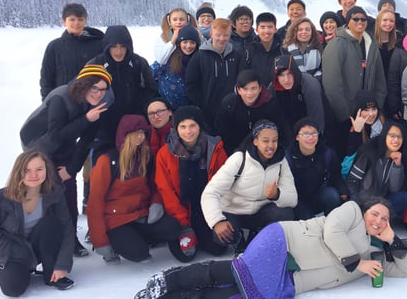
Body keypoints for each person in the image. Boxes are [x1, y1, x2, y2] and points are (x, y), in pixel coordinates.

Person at [134, 199, 407, 299]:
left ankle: (174, 296)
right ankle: (168, 281)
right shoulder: (351, 211)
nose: (378, 221)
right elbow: (332, 232)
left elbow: (403, 270)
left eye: (385, 219)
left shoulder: (371, 252)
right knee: (237, 273)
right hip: (283, 243)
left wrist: (392, 240)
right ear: (365, 211)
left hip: (292, 279)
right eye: (375, 213)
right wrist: (358, 263)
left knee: (239, 294)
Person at [20, 64, 112, 257]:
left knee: (68, 188)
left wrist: (71, 169)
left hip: (64, 143)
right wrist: (86, 119)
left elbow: (86, 142)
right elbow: (55, 135)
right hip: (37, 145)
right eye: (94, 88)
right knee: (46, 191)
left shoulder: (97, 106)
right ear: (84, 84)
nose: (98, 93)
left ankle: (71, 240)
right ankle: (36, 241)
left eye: (103, 89)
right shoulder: (61, 98)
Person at [87, 115, 182, 263]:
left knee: (173, 227)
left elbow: (154, 185)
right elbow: (95, 203)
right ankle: (121, 242)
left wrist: (156, 203)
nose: (140, 137)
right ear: (125, 135)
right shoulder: (107, 161)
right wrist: (101, 242)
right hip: (116, 220)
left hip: (141, 215)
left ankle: (136, 239)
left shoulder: (146, 157)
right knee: (139, 254)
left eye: (143, 132)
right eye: (135, 133)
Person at [201, 120, 297, 252]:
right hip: (234, 211)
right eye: (265, 141)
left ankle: (258, 235)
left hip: (261, 213)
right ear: (255, 141)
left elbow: (293, 198)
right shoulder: (240, 159)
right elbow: (210, 192)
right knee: (220, 243)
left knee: (285, 214)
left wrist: (277, 194)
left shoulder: (281, 162)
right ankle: (239, 240)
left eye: (274, 140)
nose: (270, 145)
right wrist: (217, 221)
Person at [0, 151, 75, 294]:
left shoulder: (55, 193)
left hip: (39, 247)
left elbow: (67, 229)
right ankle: (24, 269)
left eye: (39, 169)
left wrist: (62, 265)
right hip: (12, 252)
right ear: (18, 172)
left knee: (51, 224)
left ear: (46, 170)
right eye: (27, 170)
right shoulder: (3, 198)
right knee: (13, 289)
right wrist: (7, 246)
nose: (33, 175)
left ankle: (50, 273)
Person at [154, 105, 228, 262]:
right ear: (176, 128)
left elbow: (223, 183)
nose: (188, 131)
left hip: (206, 208)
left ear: (200, 126)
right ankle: (185, 230)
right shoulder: (165, 154)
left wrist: (216, 217)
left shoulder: (214, 148)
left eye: (192, 125)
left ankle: (201, 232)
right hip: (180, 210)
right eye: (183, 126)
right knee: (186, 256)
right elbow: (165, 190)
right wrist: (183, 223)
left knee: (219, 249)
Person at [321, 6, 387, 152]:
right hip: (346, 116)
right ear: (347, 22)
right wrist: (344, 115)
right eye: (355, 19)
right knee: (347, 154)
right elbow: (332, 84)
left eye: (363, 19)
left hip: (369, 113)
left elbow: (380, 79)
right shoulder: (337, 44)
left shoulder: (371, 44)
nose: (360, 22)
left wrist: (376, 107)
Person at [88, 24, 158, 143]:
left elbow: (151, 92)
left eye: (122, 46)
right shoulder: (96, 64)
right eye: (114, 46)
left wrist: (141, 115)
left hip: (133, 124)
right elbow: (83, 94)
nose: (118, 51)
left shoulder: (138, 63)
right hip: (103, 125)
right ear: (107, 47)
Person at [185, 18, 247, 133]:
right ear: (211, 34)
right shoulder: (199, 57)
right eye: (218, 35)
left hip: (232, 112)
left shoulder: (237, 56)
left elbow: (243, 82)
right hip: (207, 114)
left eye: (226, 35)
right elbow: (191, 85)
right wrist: (202, 106)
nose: (222, 39)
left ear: (230, 35)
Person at [39, 3, 104, 100]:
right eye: (72, 19)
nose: (76, 23)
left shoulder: (98, 44)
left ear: (85, 21)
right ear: (64, 21)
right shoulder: (54, 47)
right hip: (63, 100)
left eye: (80, 19)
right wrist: (48, 102)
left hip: (92, 100)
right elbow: (46, 79)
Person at [287, 118, 348, 219]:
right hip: (298, 199)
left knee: (332, 196)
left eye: (314, 133)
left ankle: (332, 224)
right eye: (305, 134)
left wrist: (343, 191)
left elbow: (336, 176)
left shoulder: (327, 153)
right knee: (308, 221)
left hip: (319, 194)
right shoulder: (288, 157)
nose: (310, 137)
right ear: (297, 137)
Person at [346, 122, 407, 218]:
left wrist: (397, 166)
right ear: (384, 136)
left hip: (380, 202)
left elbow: (394, 189)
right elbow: (352, 181)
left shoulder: (397, 157)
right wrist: (356, 203)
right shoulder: (369, 154)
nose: (396, 140)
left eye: (399, 137)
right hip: (363, 203)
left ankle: (382, 219)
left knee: (403, 197)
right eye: (392, 136)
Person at [215, 69, 280, 154]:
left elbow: (278, 129)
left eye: (253, 88)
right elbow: (222, 132)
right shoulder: (229, 105)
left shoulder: (269, 104)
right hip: (233, 151)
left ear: (260, 88)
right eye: (245, 89)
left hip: (262, 151)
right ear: (239, 90)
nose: (249, 93)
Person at [269, 55, 326, 146]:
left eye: (289, 73)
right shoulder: (273, 90)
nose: (286, 79)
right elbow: (279, 120)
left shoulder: (310, 85)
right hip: (290, 136)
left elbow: (317, 119)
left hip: (315, 133)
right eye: (281, 75)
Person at [150, 25, 199, 110]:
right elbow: (149, 75)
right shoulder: (168, 58)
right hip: (166, 110)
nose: (188, 46)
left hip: (190, 110)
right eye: (185, 42)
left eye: (192, 42)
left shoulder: (200, 60)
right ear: (179, 43)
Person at [245, 12, 282, 87]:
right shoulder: (249, 50)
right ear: (257, 29)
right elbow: (244, 75)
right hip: (256, 92)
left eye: (270, 27)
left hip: (278, 92)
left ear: (275, 29)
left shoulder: (282, 49)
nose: (266, 31)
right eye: (262, 27)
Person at [375, 8, 401, 83]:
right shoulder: (370, 42)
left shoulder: (398, 43)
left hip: (392, 84)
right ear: (378, 21)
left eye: (391, 21)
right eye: (385, 20)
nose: (388, 23)